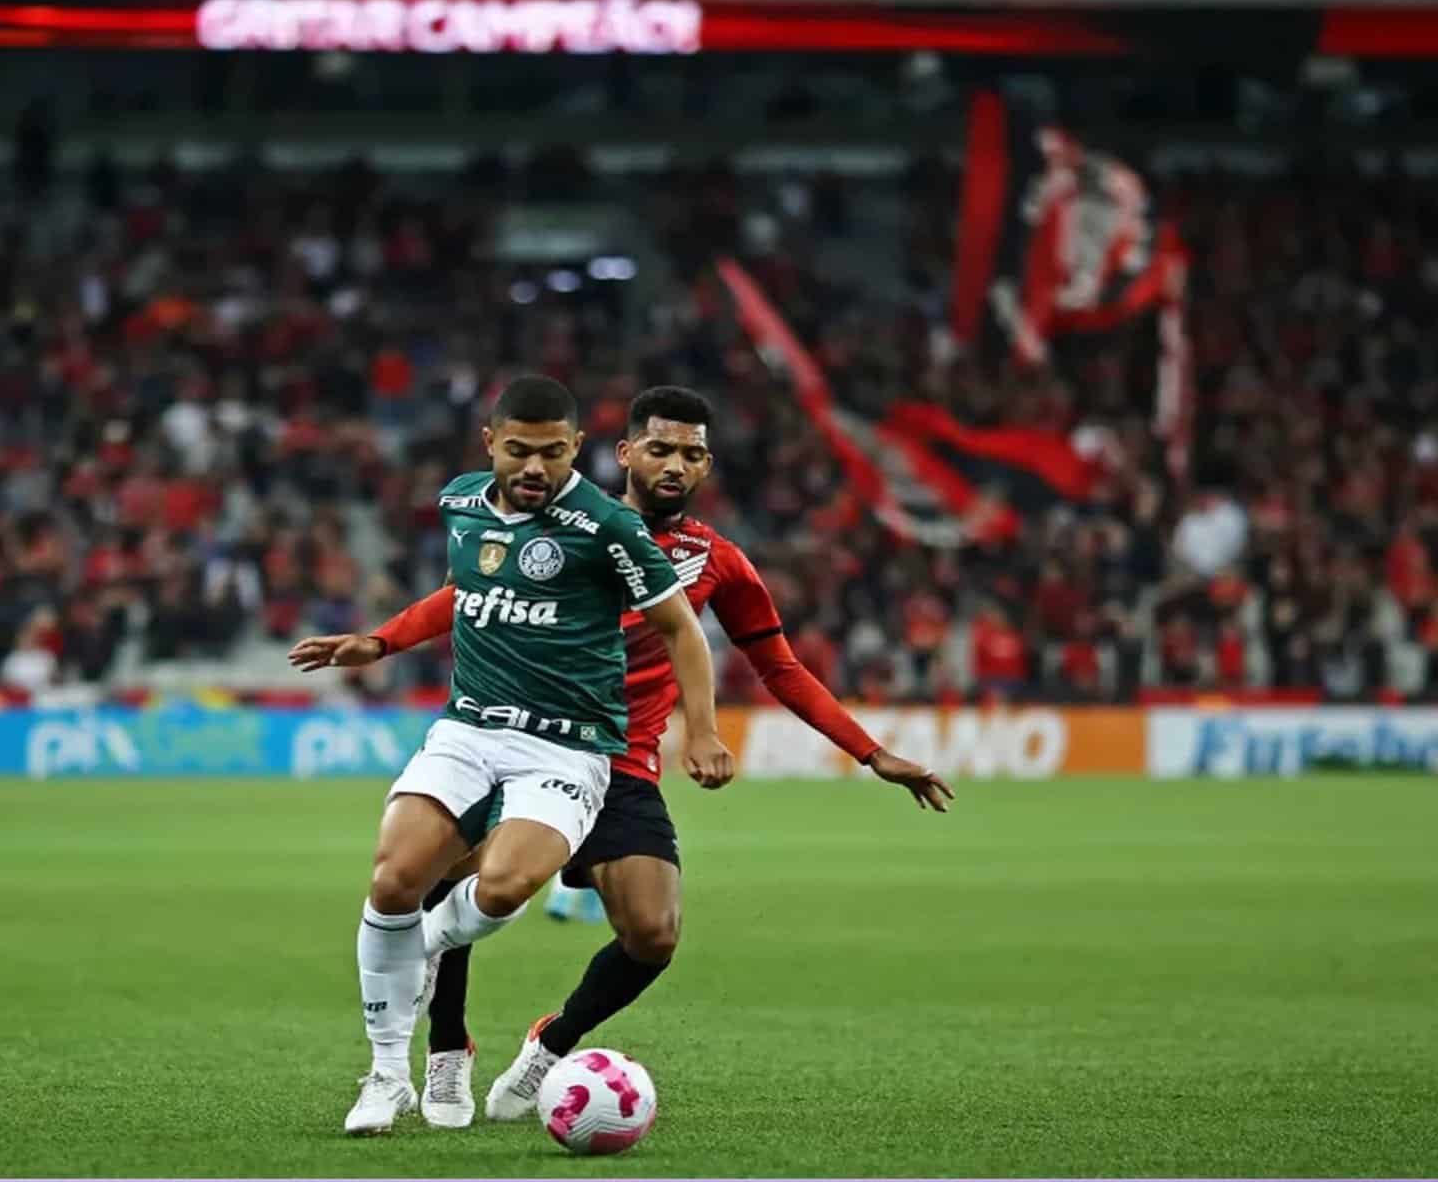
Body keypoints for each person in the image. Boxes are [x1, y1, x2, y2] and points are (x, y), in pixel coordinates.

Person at [293, 385, 950, 1129]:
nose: (675, 465)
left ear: (707, 465)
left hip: (617, 762)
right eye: (660, 449)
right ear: (624, 453)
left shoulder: (715, 561)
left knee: (652, 933)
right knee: (445, 870)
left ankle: (550, 1045)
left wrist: (869, 752)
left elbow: (779, 667)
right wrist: (382, 640)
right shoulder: (560, 517)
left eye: (692, 454)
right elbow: (467, 592)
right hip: (515, 735)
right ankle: (446, 1048)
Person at [290, 374, 735, 1135]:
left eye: (553, 453)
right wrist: (380, 641)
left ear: (578, 449)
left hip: (566, 745)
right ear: (490, 443)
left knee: (500, 890)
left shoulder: (608, 528)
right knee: (393, 878)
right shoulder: (461, 502)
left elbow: (681, 630)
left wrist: (701, 729)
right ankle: (388, 1075)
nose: (535, 467)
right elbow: (464, 590)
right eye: (520, 450)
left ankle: (430, 943)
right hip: (468, 730)